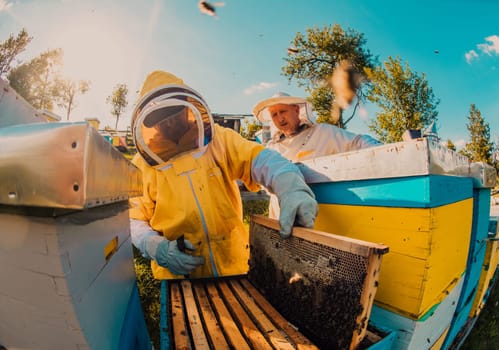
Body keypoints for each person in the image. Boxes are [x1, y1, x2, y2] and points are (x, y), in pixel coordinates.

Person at [129, 71, 318, 280]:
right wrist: (155, 247)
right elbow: (133, 218)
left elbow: (261, 160)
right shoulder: (142, 165)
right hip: (179, 277)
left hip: (234, 265)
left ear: (187, 107)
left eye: (174, 114)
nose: (170, 124)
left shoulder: (220, 139)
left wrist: (289, 184)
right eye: (160, 120)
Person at [252, 91, 381, 218]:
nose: (280, 118)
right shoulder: (271, 148)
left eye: (283, 111)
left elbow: (358, 142)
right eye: (274, 114)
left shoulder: (323, 133)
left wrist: (386, 151)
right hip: (280, 219)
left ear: (296, 110)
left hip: (321, 218)